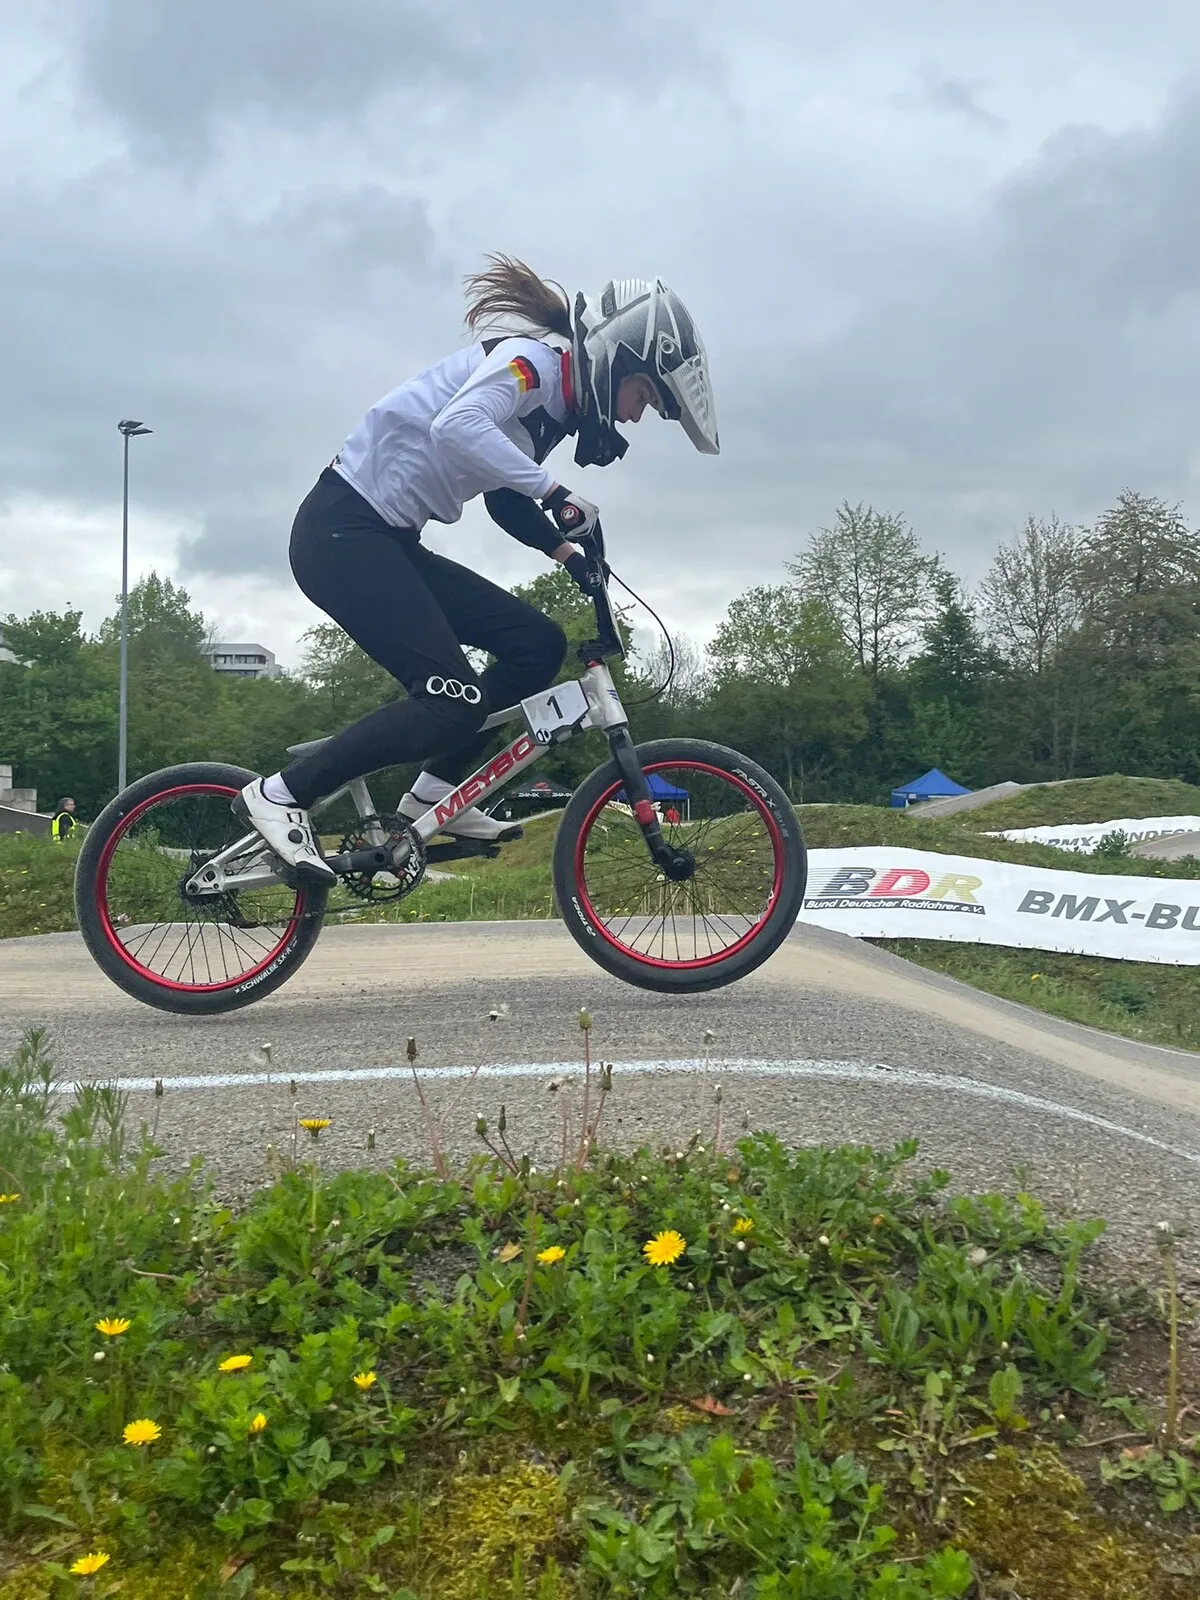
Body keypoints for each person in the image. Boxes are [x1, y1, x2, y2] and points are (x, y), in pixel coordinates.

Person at [234, 256, 718, 885]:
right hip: (341, 533)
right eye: (644, 396)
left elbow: (501, 497)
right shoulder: (533, 363)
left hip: (388, 539)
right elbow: (458, 423)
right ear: (615, 359)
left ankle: (432, 801)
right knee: (449, 702)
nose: (635, 415)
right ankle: (281, 795)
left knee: (534, 644)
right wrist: (554, 490)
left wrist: (567, 553)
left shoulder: (551, 410)